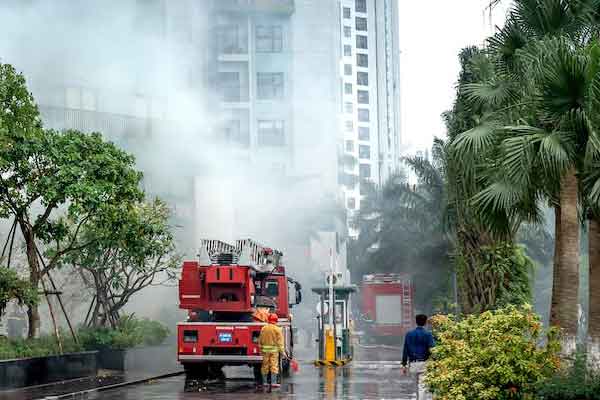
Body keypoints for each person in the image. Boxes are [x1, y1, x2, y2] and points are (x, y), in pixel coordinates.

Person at [402, 314, 435, 400]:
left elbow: (405, 350)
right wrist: (435, 361)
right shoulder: (428, 334)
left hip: (413, 363)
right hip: (424, 363)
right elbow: (432, 349)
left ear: (416, 322)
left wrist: (404, 364)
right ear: (425, 323)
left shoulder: (409, 334)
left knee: (416, 385)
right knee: (422, 386)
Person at [258, 313, 285, 391]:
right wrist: (282, 352)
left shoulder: (264, 328)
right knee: (273, 366)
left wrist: (260, 349)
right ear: (276, 320)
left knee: (265, 366)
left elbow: (260, 340)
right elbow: (280, 343)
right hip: (274, 352)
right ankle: (273, 383)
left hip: (265, 351)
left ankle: (265, 383)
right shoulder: (277, 329)